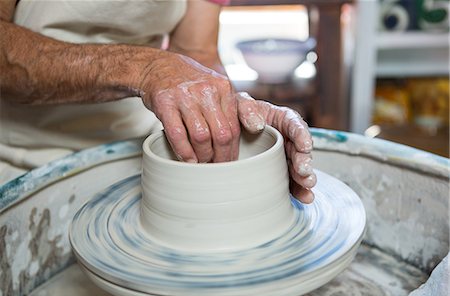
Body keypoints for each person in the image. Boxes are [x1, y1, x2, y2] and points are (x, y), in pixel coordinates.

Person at [0, 0, 316, 202]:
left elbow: (197, 52)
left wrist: (235, 114)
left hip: (145, 153)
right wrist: (144, 69)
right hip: (26, 159)